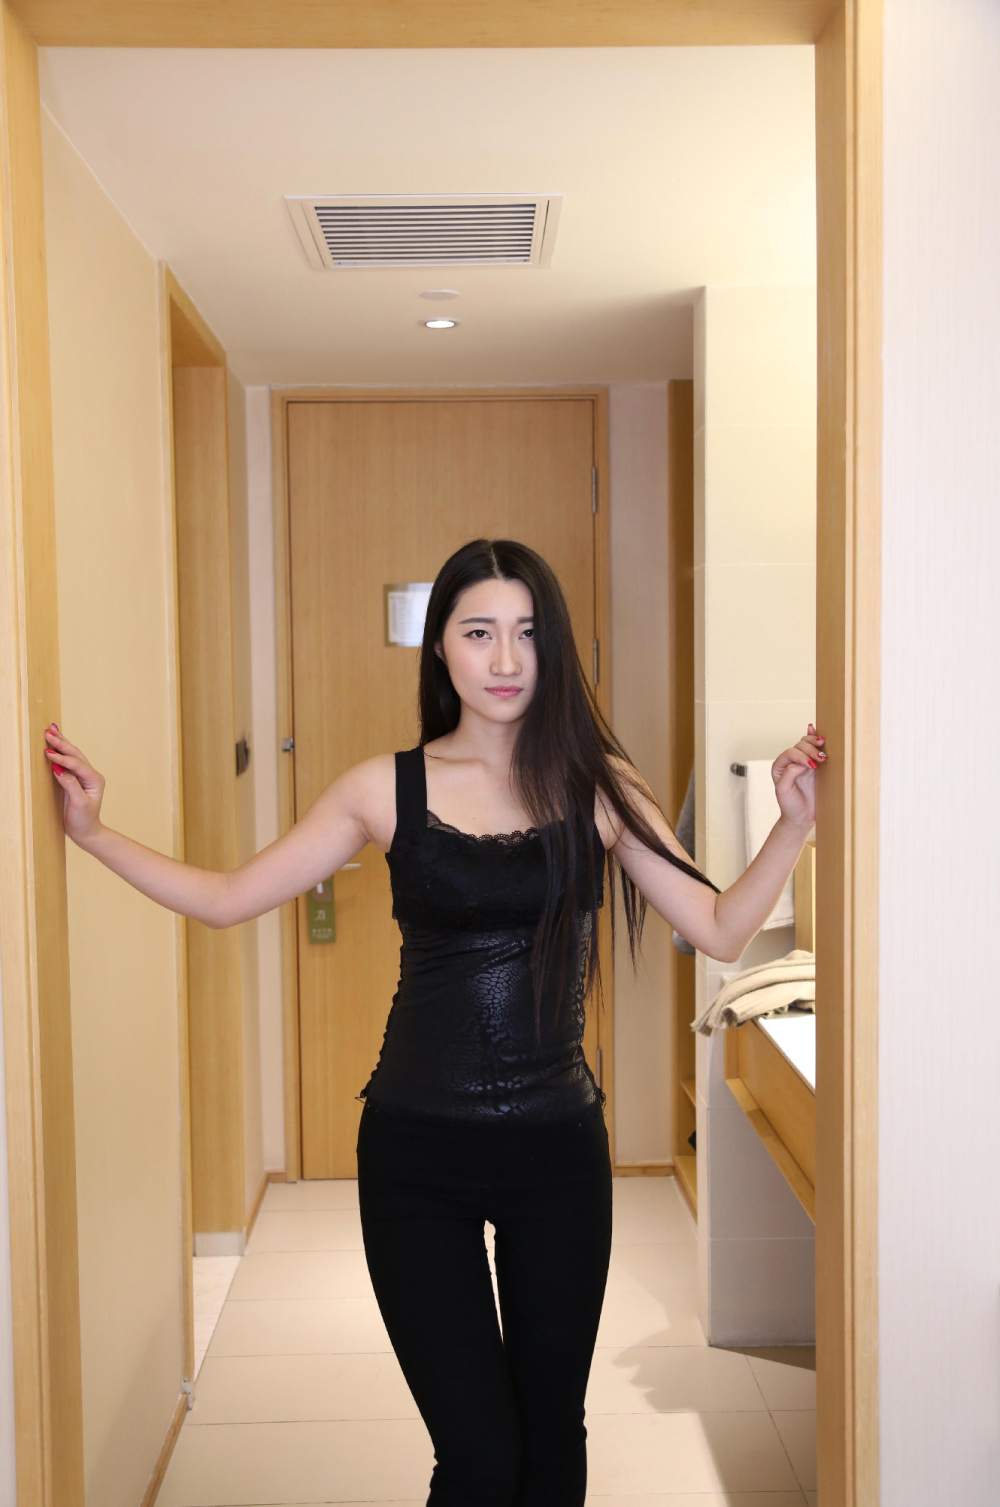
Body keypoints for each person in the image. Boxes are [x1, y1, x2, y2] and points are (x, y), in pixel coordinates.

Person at [44, 537, 825, 1507]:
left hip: (557, 1151)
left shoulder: (599, 786)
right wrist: (95, 834)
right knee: (480, 1458)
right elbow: (227, 897)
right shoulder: (382, 788)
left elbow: (719, 927)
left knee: (551, 1442)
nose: (506, 659)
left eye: (527, 633)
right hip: (416, 1156)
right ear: (442, 648)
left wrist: (792, 822)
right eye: (479, 632)